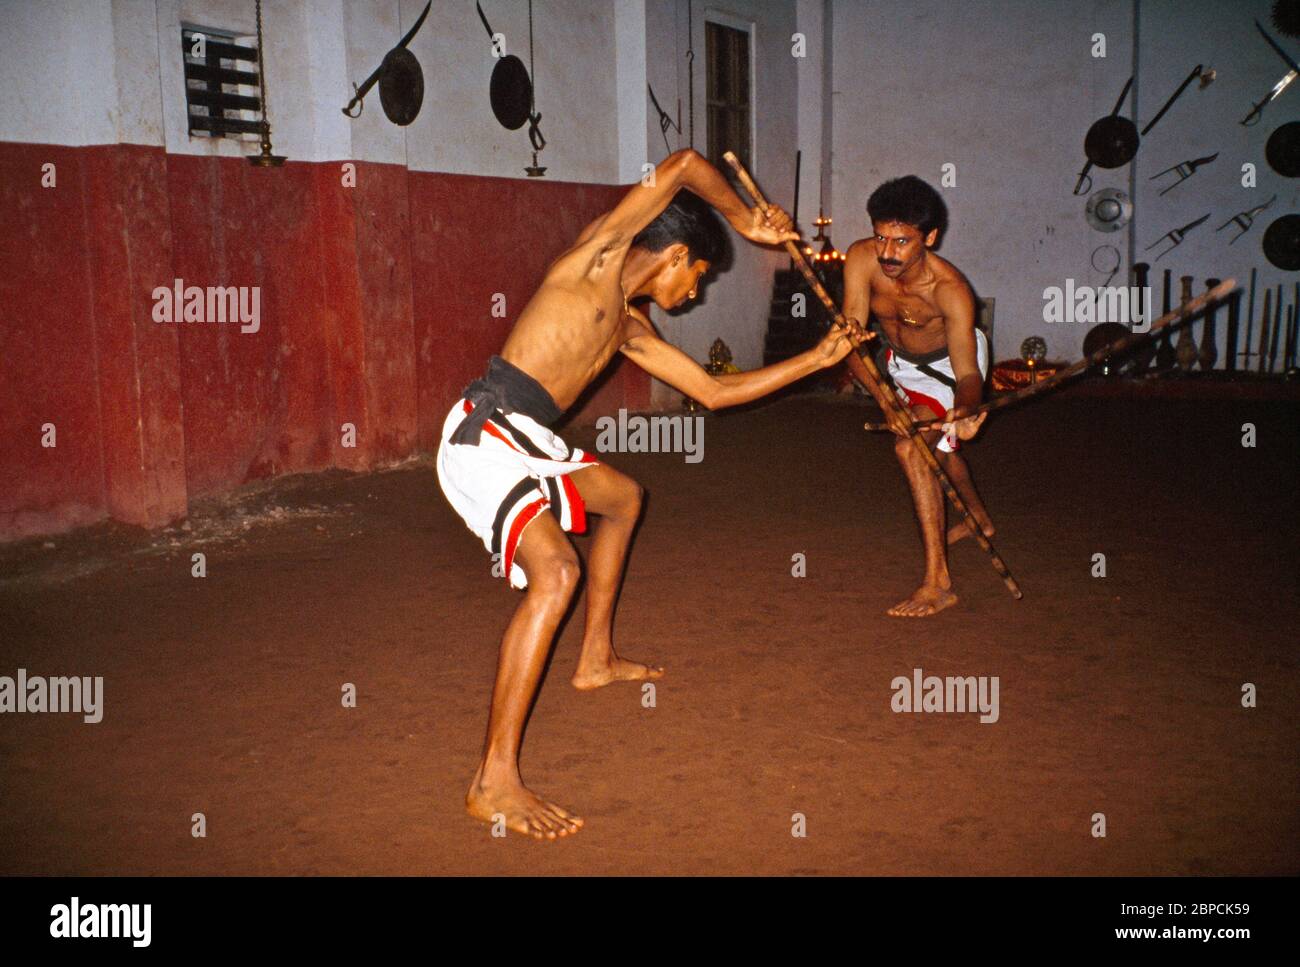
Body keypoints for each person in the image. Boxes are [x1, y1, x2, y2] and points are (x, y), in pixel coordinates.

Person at [437, 148, 865, 838]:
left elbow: (715, 392)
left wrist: (817, 360)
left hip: (525, 440)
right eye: (698, 275)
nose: (694, 294)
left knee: (625, 498)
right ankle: (493, 780)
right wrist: (748, 220)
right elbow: (686, 164)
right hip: (483, 433)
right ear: (674, 255)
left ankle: (595, 656)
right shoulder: (595, 258)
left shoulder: (632, 327)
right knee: (556, 574)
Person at [842, 175, 993, 618]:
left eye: (902, 241)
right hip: (900, 365)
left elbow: (967, 373)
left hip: (950, 369)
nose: (887, 252)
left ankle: (938, 583)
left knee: (913, 449)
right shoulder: (861, 259)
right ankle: (980, 519)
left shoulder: (951, 291)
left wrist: (966, 408)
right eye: (881, 237)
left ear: (930, 237)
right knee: (940, 453)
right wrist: (888, 401)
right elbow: (851, 340)